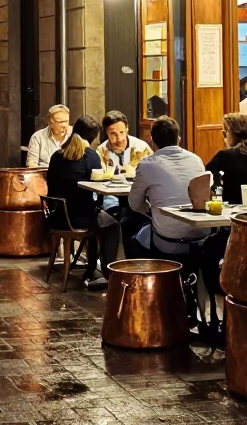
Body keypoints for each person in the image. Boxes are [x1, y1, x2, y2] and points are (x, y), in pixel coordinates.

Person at [45, 115, 119, 289]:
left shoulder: (57, 155)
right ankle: (105, 273)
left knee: (97, 217)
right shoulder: (90, 156)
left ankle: (92, 269)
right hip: (79, 219)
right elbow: (98, 186)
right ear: (93, 138)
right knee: (111, 224)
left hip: (56, 217)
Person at [128, 117, 208, 258]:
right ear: (178, 138)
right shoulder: (196, 159)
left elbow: (134, 204)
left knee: (132, 232)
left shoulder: (147, 165)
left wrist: (153, 209)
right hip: (201, 237)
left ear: (152, 140)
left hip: (167, 242)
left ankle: (143, 277)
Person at [25, 104, 70, 168]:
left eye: (66, 121)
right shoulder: (37, 137)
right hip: (45, 176)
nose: (65, 125)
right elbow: (31, 164)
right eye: (61, 122)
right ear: (51, 123)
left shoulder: (74, 136)